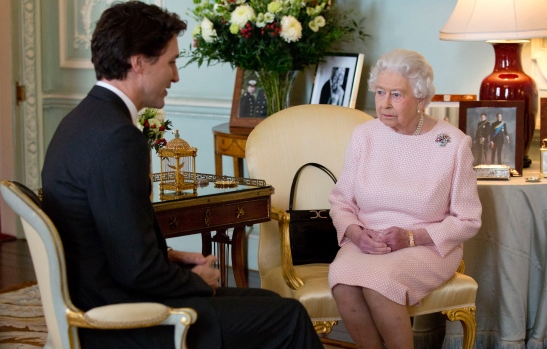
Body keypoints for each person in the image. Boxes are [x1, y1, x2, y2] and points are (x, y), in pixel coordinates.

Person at [41, 2, 322, 349]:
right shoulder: (118, 138)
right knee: (288, 317)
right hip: (125, 321)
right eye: (171, 62)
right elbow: (136, 270)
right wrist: (197, 283)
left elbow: (112, 241)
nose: (176, 76)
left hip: (104, 297)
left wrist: (173, 259)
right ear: (139, 61)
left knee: (275, 306)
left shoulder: (79, 121)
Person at [327, 49, 481, 349]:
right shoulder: (365, 135)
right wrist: (358, 235)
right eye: (380, 92)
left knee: (379, 284)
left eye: (396, 95)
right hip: (368, 243)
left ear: (421, 98)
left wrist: (410, 237)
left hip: (427, 246)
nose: (384, 103)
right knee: (343, 281)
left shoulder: (453, 144)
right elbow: (341, 202)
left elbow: (468, 220)